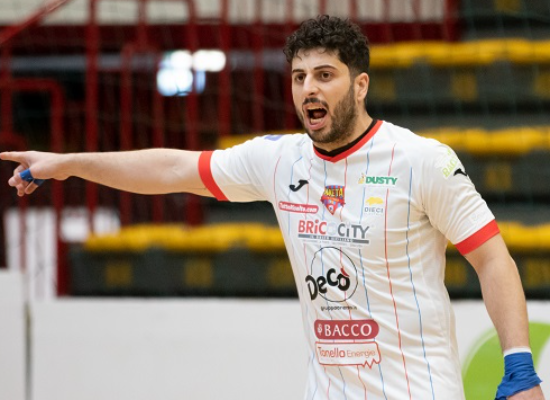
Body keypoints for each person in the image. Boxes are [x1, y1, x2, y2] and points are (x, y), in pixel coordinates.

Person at [1, 15, 545, 400]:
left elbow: (492, 259)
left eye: (324, 75)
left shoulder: (421, 160)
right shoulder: (279, 160)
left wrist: (520, 367)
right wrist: (68, 163)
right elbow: (170, 169)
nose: (309, 89)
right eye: (299, 77)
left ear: (360, 85)